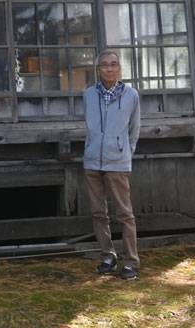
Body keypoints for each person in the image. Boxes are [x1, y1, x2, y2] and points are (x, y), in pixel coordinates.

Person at [83, 49, 141, 280]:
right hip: (92, 161)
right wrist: (90, 149)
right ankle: (108, 255)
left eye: (114, 64)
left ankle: (131, 262)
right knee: (98, 213)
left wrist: (124, 152)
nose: (109, 68)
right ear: (98, 69)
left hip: (117, 162)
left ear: (119, 68)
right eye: (104, 65)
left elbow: (134, 130)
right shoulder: (88, 94)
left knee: (124, 214)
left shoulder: (131, 95)